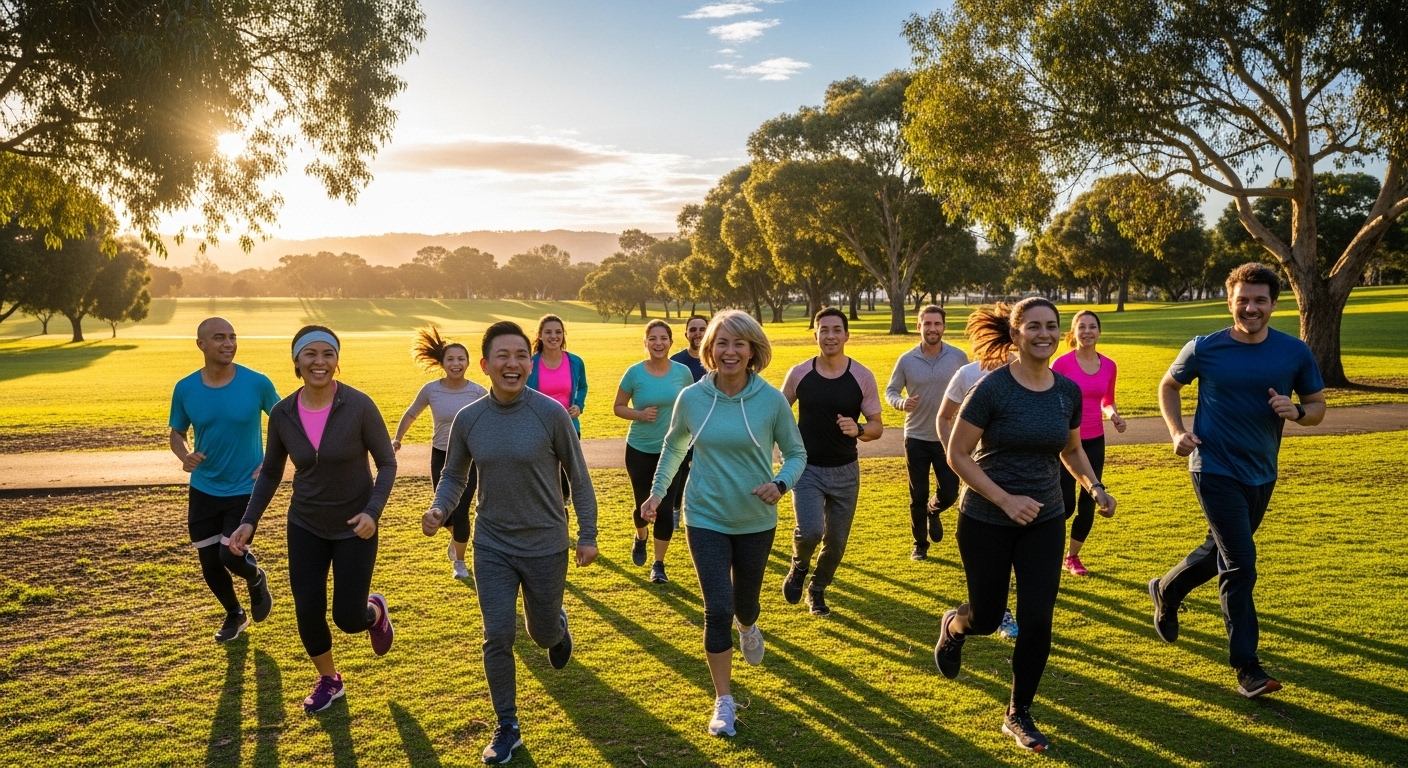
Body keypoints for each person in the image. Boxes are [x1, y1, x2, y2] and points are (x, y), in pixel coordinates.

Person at [932, 298, 1115, 753]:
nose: (1044, 334)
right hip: (986, 519)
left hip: (1046, 519)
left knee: (1037, 619)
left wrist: (1093, 487)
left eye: (1051, 326)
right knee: (988, 615)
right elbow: (957, 454)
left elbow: (1071, 450)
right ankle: (954, 627)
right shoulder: (992, 390)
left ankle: (1018, 712)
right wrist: (1005, 499)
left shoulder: (1066, 392)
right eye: (1033, 326)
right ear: (1015, 335)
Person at [422, 321, 599, 765]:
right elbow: (455, 475)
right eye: (502, 355)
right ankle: (507, 726)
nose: (513, 363)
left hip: (546, 543)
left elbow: (578, 477)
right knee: (497, 635)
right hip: (493, 544)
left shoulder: (550, 413)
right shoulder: (470, 418)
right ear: (485, 365)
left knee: (539, 633)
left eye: (521, 355)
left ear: (529, 361)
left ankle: (556, 628)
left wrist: (588, 534)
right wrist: (440, 509)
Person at [1149, 263, 1324, 699]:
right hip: (1213, 468)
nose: (1250, 307)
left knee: (1218, 553)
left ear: (1273, 304)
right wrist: (1176, 431)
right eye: (1242, 299)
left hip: (1262, 472)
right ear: (1230, 301)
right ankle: (1248, 667)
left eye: (1259, 300)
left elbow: (1317, 406)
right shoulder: (1204, 348)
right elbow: (1168, 386)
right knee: (1241, 563)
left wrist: (1296, 412)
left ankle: (1166, 590)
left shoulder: (1294, 352)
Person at [641, 310, 806, 738]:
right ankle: (724, 700)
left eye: (739, 343)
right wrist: (658, 493)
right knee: (718, 608)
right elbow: (674, 446)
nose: (729, 351)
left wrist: (780, 483)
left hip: (755, 520)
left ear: (753, 350)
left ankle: (749, 626)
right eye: (721, 343)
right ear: (708, 349)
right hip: (705, 516)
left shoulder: (770, 400)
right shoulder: (692, 398)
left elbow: (796, 454)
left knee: (744, 605)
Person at [230, 325, 397, 714]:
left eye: (327, 354)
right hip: (305, 523)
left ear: (337, 362)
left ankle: (374, 612)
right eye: (310, 354)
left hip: (356, 526)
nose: (319, 362)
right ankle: (329, 679)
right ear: (297, 361)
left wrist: (373, 512)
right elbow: (271, 471)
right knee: (307, 609)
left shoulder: (359, 405)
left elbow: (387, 463)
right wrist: (249, 521)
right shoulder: (283, 413)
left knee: (348, 618)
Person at [168, 317, 280, 643]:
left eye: (232, 337)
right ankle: (235, 613)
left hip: (246, 486)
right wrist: (184, 454)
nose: (228, 343)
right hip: (204, 486)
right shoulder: (185, 388)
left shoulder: (257, 383)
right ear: (201, 344)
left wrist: (272, 462)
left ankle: (256, 578)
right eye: (219, 338)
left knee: (229, 554)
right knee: (209, 561)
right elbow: (177, 433)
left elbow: (286, 422)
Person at [779, 308, 883, 617]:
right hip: (806, 467)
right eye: (823, 330)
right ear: (815, 335)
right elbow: (778, 411)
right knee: (810, 531)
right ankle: (798, 567)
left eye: (836, 330)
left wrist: (860, 428)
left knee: (836, 543)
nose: (830, 336)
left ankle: (817, 588)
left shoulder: (861, 376)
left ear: (847, 335)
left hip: (845, 470)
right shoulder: (799, 373)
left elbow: (877, 425)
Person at [937, 318, 1020, 641]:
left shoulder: (1032, 372)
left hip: (1022, 481)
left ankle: (1008, 610)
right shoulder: (969, 374)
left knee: (1018, 554)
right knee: (989, 560)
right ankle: (992, 611)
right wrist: (956, 455)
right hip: (978, 479)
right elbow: (943, 417)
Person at [392, 326, 489, 580]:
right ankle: (457, 540)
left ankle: (459, 561)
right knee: (444, 512)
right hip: (441, 455)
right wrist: (397, 439)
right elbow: (412, 413)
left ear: (468, 363)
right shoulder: (431, 389)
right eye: (451, 359)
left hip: (469, 458)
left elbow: (494, 419)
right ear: (442, 363)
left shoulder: (478, 392)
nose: (456, 363)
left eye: (461, 359)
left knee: (461, 510)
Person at [885, 305, 968, 560]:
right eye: (927, 324)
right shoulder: (906, 360)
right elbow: (891, 391)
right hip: (916, 437)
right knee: (917, 494)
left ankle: (934, 510)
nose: (932, 328)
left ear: (944, 326)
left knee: (950, 491)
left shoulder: (958, 357)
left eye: (937, 324)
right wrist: (901, 403)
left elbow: (972, 389)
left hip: (949, 438)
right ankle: (920, 544)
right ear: (919, 326)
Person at [614, 319, 694, 582]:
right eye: (653, 338)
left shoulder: (682, 373)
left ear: (671, 342)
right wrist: (639, 414)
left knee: (666, 505)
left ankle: (658, 565)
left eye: (663, 338)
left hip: (674, 450)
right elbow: (618, 406)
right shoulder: (634, 373)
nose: (658, 343)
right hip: (640, 448)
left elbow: (692, 406)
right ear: (645, 342)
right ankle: (640, 538)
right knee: (641, 504)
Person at [1051, 311, 1127, 576]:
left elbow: (1107, 400)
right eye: (1081, 327)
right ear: (1073, 333)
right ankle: (1047, 553)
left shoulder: (1109, 365)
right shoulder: (1061, 364)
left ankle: (1072, 557)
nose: (1087, 331)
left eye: (1092, 327)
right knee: (1065, 504)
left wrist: (1113, 415)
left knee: (1090, 500)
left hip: (1095, 440)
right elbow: (1048, 399)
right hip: (1064, 443)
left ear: (1099, 331)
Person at [526, 314, 588, 505]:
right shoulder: (530, 363)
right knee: (548, 471)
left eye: (558, 332)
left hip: (569, 425)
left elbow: (583, 387)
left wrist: (578, 405)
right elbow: (524, 393)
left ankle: (568, 500)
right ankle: (558, 504)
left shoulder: (575, 361)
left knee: (571, 470)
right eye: (548, 332)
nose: (554, 336)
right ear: (540, 335)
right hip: (539, 428)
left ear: (563, 335)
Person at [671, 314, 709, 382]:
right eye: (693, 330)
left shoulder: (717, 361)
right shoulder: (675, 362)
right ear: (686, 335)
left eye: (702, 329)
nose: (698, 333)